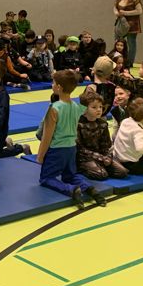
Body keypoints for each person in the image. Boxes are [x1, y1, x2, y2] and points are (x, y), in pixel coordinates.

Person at [36, 70, 106, 209]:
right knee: (70, 175)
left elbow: (47, 136)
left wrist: (40, 155)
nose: (52, 85)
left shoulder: (54, 108)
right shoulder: (76, 107)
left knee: (46, 178)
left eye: (53, 83)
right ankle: (89, 188)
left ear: (59, 87)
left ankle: (71, 190)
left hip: (57, 149)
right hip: (71, 148)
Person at [76, 91, 127, 181]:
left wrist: (108, 157)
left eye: (100, 107)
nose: (99, 110)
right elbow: (80, 149)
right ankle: (82, 168)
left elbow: (107, 145)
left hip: (101, 156)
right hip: (84, 158)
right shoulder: (78, 124)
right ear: (84, 109)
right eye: (94, 107)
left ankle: (100, 165)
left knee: (122, 172)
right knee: (102, 175)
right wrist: (101, 158)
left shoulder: (103, 124)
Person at [114, 0, 143, 68]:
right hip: (121, 23)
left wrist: (125, 13)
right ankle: (117, 59)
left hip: (132, 25)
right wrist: (116, 12)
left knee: (131, 44)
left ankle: (129, 62)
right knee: (117, 42)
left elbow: (139, 11)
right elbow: (115, 7)